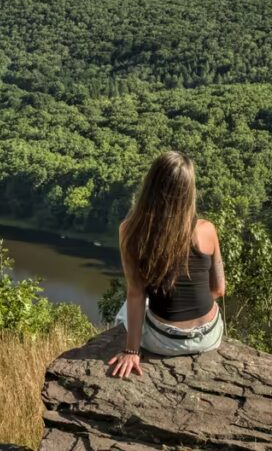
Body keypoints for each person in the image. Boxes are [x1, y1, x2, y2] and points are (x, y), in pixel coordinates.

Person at [108, 151, 226, 378]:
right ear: (189, 191)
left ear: (150, 186)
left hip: (165, 342)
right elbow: (219, 289)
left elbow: (136, 294)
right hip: (210, 337)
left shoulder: (130, 231)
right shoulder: (206, 229)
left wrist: (132, 350)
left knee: (126, 308)